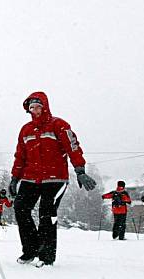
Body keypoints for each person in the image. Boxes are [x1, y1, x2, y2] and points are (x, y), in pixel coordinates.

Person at [9, 92, 96, 268]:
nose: (35, 110)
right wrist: (14, 178)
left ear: (45, 106)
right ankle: (31, 249)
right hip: (30, 178)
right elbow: (20, 156)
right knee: (20, 208)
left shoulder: (59, 125)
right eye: (31, 107)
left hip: (55, 179)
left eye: (38, 106)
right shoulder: (25, 130)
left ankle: (46, 256)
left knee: (46, 212)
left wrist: (80, 171)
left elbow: (73, 147)